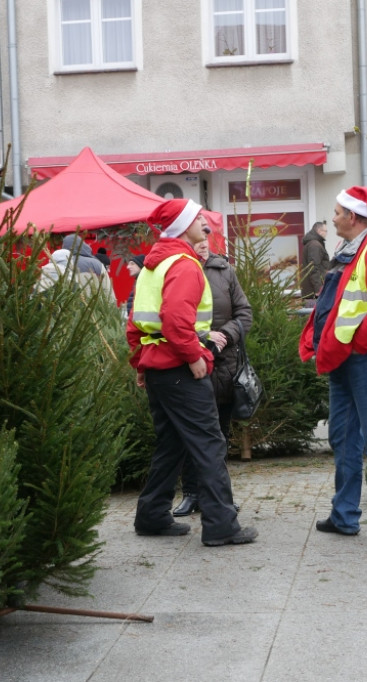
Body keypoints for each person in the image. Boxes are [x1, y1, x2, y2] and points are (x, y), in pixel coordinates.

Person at [128, 198, 257, 547]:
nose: (205, 222)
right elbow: (174, 320)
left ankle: (152, 516)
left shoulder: (154, 265)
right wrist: (193, 355)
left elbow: (136, 322)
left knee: (171, 444)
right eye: (198, 217)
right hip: (181, 368)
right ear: (185, 225)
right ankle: (221, 525)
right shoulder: (184, 264)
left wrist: (141, 361)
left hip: (158, 367)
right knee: (209, 443)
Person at [298, 186, 367, 541]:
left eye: (336, 212)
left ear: (353, 217)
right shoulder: (352, 250)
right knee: (344, 438)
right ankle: (344, 514)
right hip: (345, 358)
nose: (331, 219)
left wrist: (358, 345)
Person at [173, 238, 253, 517]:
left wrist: (226, 335)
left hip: (224, 364)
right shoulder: (178, 268)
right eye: (196, 240)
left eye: (206, 239)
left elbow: (245, 313)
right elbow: (171, 318)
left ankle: (218, 497)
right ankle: (192, 494)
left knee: (219, 433)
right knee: (190, 434)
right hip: (191, 361)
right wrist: (202, 337)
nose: (203, 245)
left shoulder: (224, 270)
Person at [61, 233, 115, 303]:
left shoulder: (60, 264)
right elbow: (108, 293)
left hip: (66, 310)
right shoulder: (97, 264)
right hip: (94, 311)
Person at [300, 221, 329, 301]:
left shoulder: (312, 244)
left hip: (310, 292)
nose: (326, 234)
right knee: (314, 313)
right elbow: (313, 268)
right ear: (319, 231)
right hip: (313, 293)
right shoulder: (315, 245)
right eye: (325, 231)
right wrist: (318, 289)